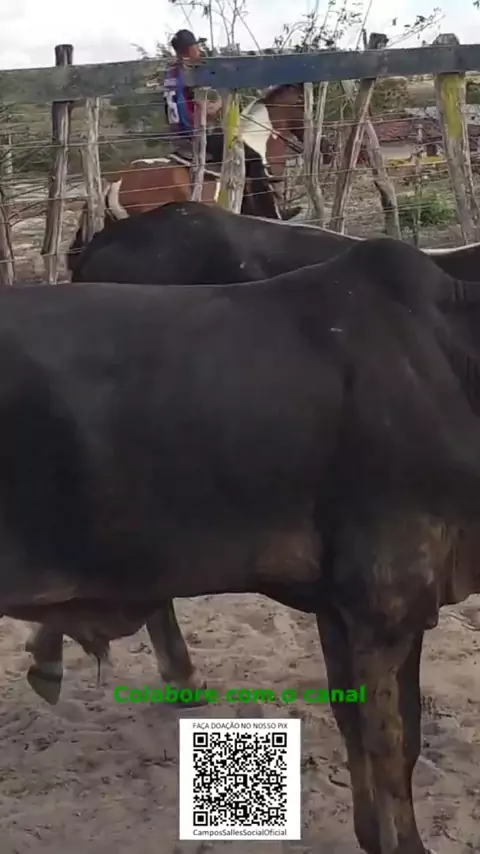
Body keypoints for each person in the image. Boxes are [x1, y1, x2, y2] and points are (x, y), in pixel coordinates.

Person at [163, 29, 224, 165]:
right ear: (190, 49)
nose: (199, 50)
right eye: (196, 46)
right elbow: (202, 110)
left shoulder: (171, 72)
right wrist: (219, 104)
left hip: (177, 137)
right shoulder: (189, 75)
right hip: (194, 136)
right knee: (250, 154)